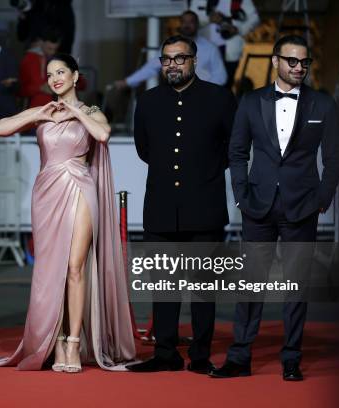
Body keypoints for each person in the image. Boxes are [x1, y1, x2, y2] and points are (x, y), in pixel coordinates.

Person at [0, 53, 136, 372]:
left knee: (75, 267)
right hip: (47, 191)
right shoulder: (43, 112)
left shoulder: (90, 111)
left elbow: (102, 135)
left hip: (79, 187)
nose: (55, 78)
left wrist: (75, 109)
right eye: (50, 75)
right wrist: (39, 112)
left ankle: (72, 343)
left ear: (75, 76)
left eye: (61, 72)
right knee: (52, 272)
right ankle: (54, 338)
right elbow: (1, 127)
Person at [210, 35, 339, 381]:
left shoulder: (323, 105)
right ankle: (240, 356)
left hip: (302, 207)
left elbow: (334, 159)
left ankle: (292, 358)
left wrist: (321, 200)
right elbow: (237, 152)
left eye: (304, 62)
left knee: (296, 286)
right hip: (257, 206)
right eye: (292, 61)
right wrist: (240, 195)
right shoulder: (251, 102)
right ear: (275, 61)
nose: (299, 68)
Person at [127, 35, 237, 374]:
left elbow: (233, 147)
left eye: (180, 58)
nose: (172, 64)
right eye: (166, 59)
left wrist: (202, 173)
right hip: (161, 206)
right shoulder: (147, 101)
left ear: (194, 60)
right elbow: (144, 148)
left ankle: (200, 355)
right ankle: (165, 353)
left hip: (204, 205)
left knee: (203, 288)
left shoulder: (219, 97)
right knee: (164, 285)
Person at [114, 11, 227, 89]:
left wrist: (201, 89)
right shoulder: (170, 46)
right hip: (175, 95)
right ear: (180, 24)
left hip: (203, 98)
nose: (187, 25)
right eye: (184, 22)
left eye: (191, 22)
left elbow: (221, 76)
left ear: (197, 24)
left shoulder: (210, 48)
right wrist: (128, 82)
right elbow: (151, 68)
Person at [191, 0, 259, 89]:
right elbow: (190, 19)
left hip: (230, 52)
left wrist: (238, 29)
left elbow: (254, 18)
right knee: (200, 83)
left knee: (225, 86)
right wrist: (208, 19)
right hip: (203, 50)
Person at [18, 26, 61, 109]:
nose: (52, 52)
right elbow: (21, 90)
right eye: (49, 49)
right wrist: (40, 88)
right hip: (35, 109)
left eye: (55, 49)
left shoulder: (54, 59)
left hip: (51, 109)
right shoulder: (29, 59)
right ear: (41, 43)